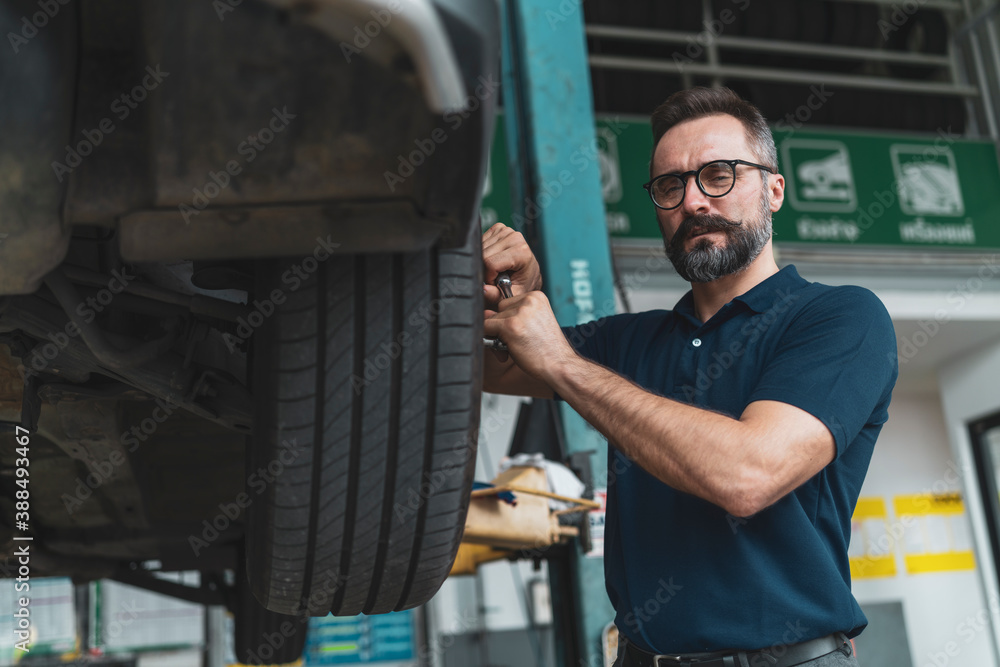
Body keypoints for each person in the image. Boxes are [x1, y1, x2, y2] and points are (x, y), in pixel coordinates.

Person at [481, 87, 897, 667]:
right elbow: (481, 363)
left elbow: (748, 475)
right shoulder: (630, 342)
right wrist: (510, 294)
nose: (695, 200)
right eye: (671, 185)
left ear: (774, 189)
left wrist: (563, 362)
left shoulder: (840, 318)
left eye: (719, 174)